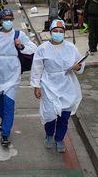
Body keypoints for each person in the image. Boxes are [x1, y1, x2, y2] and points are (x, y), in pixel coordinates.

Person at [0, 8, 37, 147]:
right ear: (0, 21)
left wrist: (21, 46)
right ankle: (4, 121)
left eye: (11, 19)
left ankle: (5, 133)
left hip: (12, 72)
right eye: (5, 20)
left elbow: (34, 48)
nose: (8, 22)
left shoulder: (18, 34)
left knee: (9, 104)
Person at [30, 19, 85, 153]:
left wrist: (78, 67)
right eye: (55, 31)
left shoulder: (71, 47)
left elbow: (80, 64)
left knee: (64, 115)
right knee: (49, 114)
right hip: (49, 85)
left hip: (67, 84)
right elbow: (36, 68)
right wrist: (36, 87)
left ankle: (59, 138)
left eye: (61, 31)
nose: (58, 33)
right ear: (50, 32)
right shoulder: (42, 49)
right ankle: (49, 134)